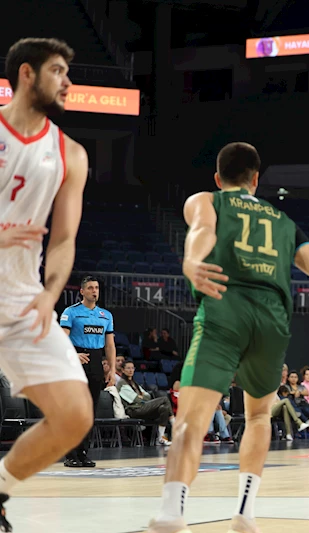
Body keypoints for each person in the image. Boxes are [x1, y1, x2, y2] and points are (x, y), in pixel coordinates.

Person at [146, 142, 309, 533]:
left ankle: (172, 513)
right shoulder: (283, 222)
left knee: (190, 420)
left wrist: (191, 262)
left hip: (225, 309)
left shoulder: (207, 200)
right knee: (258, 416)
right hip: (272, 322)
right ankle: (245, 514)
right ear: (256, 180)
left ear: (218, 179)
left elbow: (202, 230)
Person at [0, 37, 92, 531]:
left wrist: (50, 293)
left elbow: (62, 241)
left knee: (76, 415)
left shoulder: (69, 154)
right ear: (27, 74)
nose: (68, 82)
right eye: (58, 70)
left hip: (21, 300)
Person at [60, 275, 117, 467]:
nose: (94, 291)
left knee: (89, 411)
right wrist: (73, 354)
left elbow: (110, 346)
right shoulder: (71, 312)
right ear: (82, 291)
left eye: (97, 288)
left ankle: (83, 452)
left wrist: (112, 370)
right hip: (76, 360)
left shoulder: (106, 315)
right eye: (91, 288)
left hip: (95, 361)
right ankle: (70, 454)